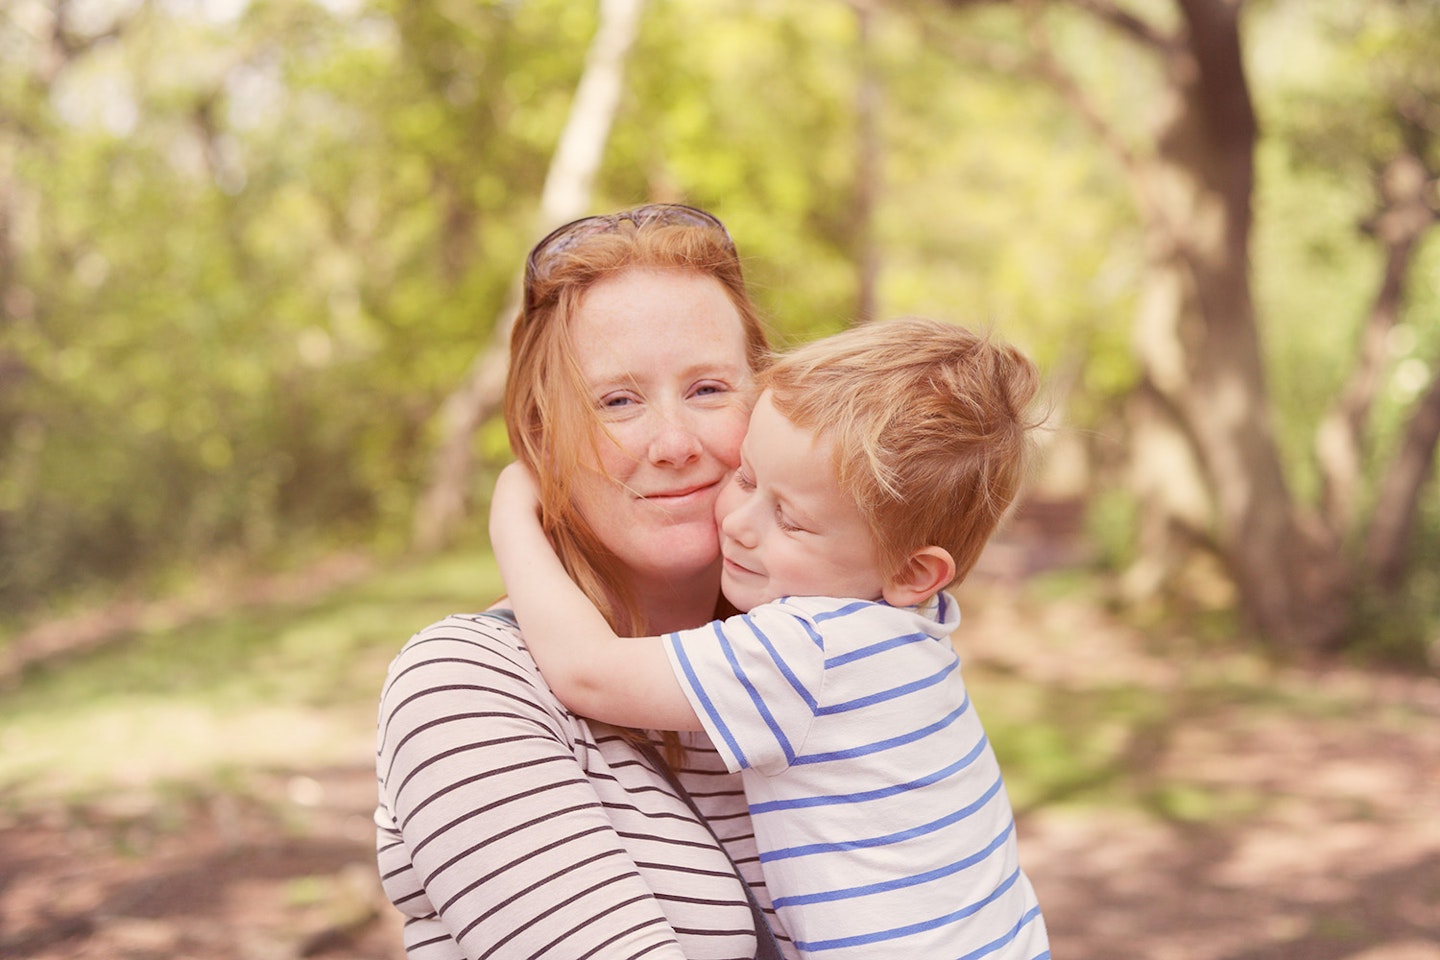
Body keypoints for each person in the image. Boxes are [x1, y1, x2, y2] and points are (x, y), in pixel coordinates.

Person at [489, 316, 1052, 960]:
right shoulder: (913, 629)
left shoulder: (804, 649)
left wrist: (513, 508)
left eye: (791, 520)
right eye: (749, 479)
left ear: (911, 570)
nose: (740, 524)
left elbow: (589, 672)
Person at [374, 203, 797, 959]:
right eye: (617, 401)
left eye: (707, 389)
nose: (672, 444)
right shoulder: (465, 688)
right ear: (541, 436)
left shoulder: (805, 655)